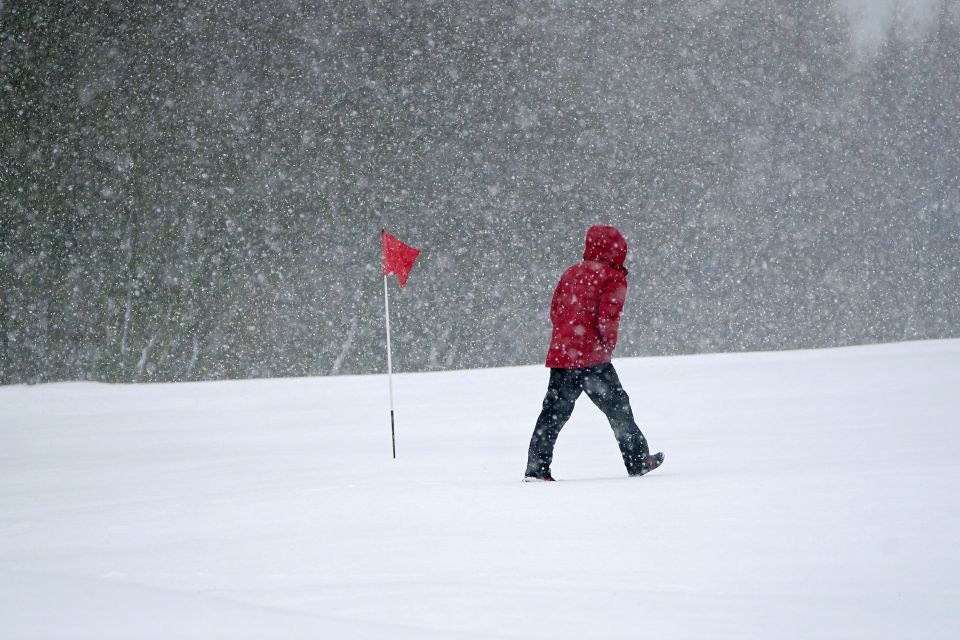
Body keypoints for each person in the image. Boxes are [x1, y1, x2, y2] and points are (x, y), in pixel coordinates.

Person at [524, 225, 664, 481]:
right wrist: (606, 346)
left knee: (553, 413)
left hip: (564, 355)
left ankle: (536, 469)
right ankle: (638, 461)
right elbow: (608, 317)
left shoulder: (571, 273)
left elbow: (555, 311)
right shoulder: (612, 277)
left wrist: (567, 340)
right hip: (592, 358)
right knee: (618, 409)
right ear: (617, 251)